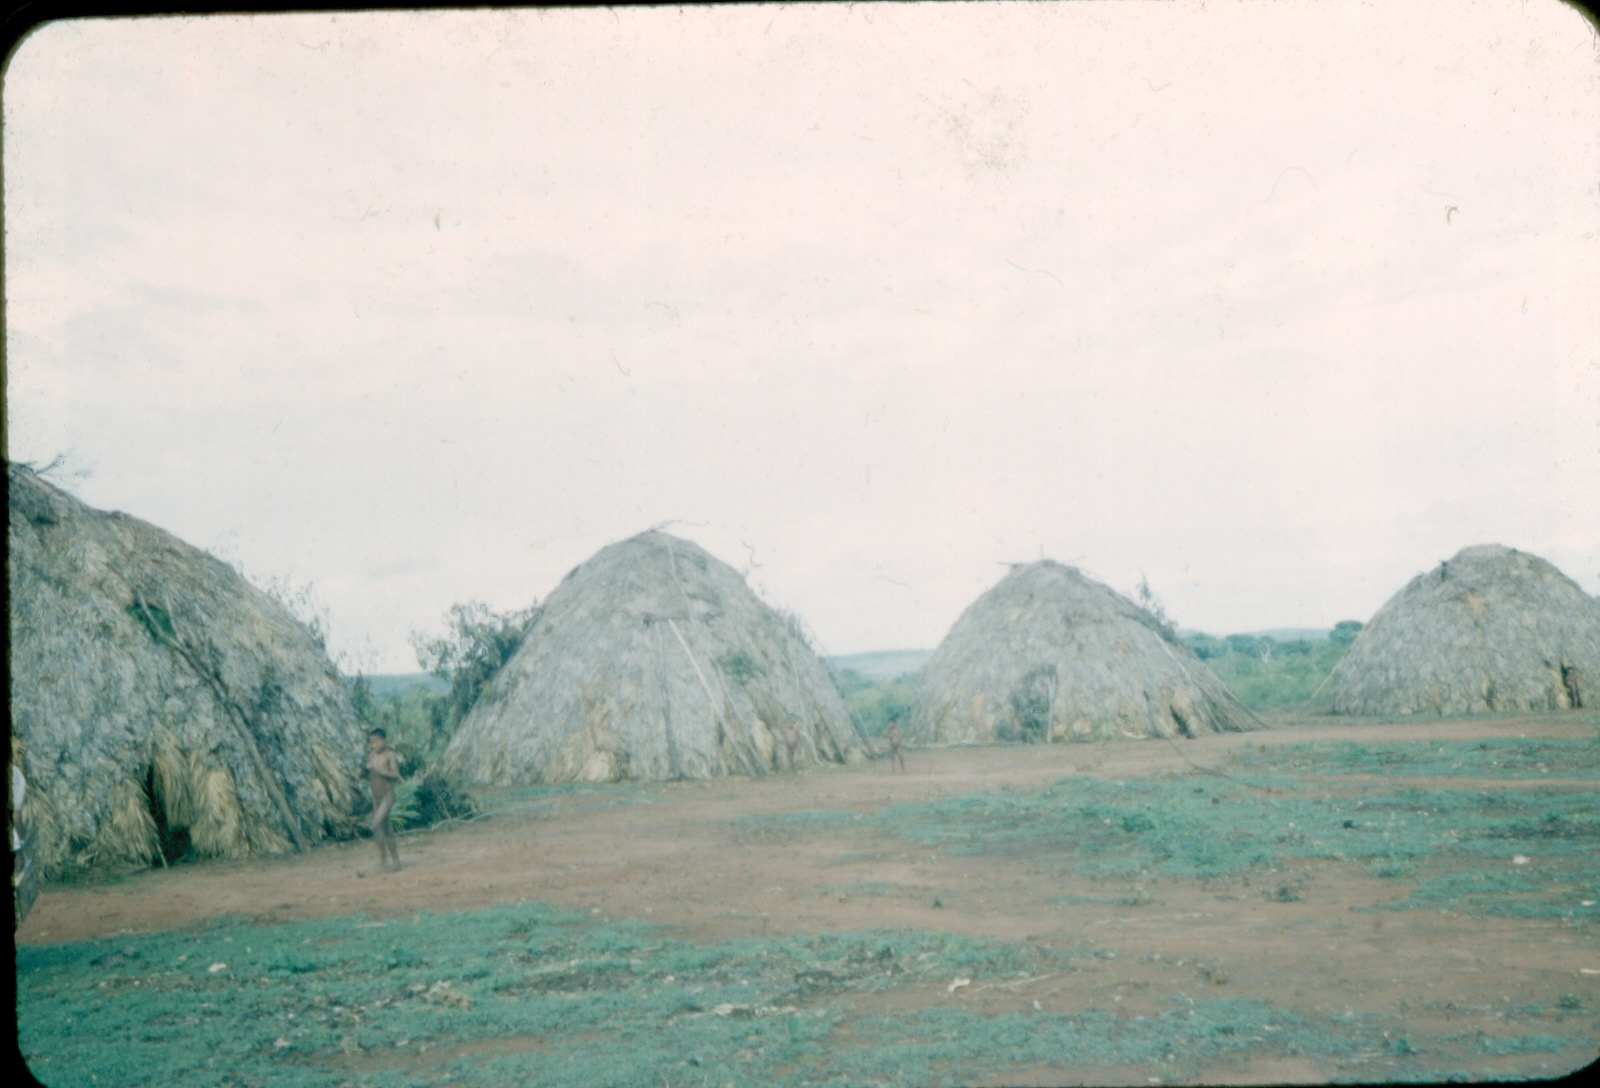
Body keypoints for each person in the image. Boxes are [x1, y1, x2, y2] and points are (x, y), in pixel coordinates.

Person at [362, 729, 402, 871]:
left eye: (377, 742)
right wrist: (362, 772)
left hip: (387, 795)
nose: (374, 745)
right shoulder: (371, 756)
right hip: (376, 798)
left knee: (376, 825)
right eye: (372, 743)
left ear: (384, 740)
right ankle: (396, 861)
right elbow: (368, 775)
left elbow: (395, 774)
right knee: (387, 830)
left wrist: (380, 771)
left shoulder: (389, 755)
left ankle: (383, 860)